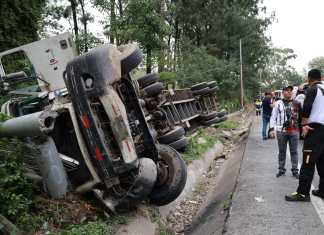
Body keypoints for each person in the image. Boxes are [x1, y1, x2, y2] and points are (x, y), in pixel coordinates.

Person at [285, 69, 324, 202]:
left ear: (309, 79)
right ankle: (323, 190)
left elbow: (306, 107)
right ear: (321, 77)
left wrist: (303, 125)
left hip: (314, 129)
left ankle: (302, 193)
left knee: (308, 161)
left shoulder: (313, 89)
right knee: (322, 161)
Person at [269, 86, 301, 178]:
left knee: (294, 151)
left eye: (290, 91)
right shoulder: (278, 103)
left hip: (294, 130)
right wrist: (272, 129)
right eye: (287, 91)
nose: (289, 92)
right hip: (281, 131)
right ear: (283, 93)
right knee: (282, 151)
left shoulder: (296, 103)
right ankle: (281, 169)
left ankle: (295, 170)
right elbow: (273, 117)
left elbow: (301, 116)